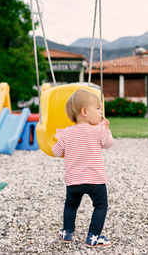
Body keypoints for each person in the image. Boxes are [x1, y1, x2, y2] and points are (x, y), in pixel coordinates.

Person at [52, 88, 113, 248]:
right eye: (98, 108)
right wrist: (106, 128)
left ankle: (67, 233)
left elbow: (57, 152)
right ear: (84, 111)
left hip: (74, 181)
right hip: (96, 180)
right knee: (100, 206)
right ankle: (93, 236)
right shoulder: (98, 130)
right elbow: (108, 144)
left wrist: (59, 141)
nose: (101, 112)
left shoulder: (65, 133)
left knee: (71, 205)